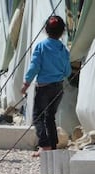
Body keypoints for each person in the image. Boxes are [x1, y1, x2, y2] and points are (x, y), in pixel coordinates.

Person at [21, 15, 71, 157]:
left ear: (45, 30)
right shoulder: (63, 49)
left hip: (44, 88)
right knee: (50, 117)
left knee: (38, 116)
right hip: (58, 88)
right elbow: (67, 71)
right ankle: (53, 145)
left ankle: (44, 145)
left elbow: (34, 67)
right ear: (63, 32)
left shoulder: (41, 46)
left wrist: (26, 83)